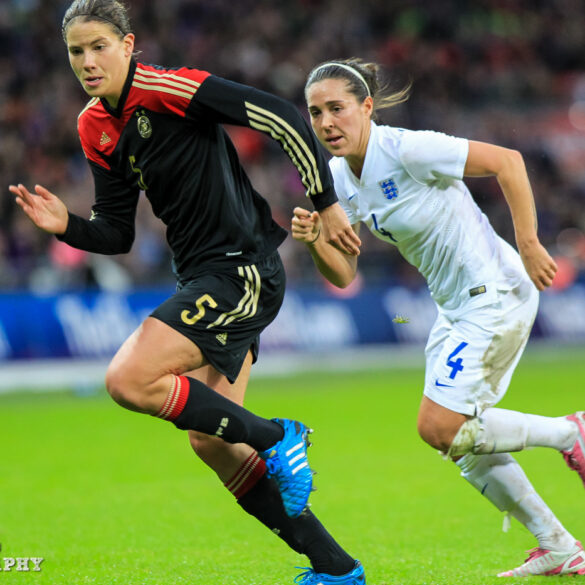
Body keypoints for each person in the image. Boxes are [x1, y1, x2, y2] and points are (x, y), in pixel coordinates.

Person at [8, 3, 365, 584]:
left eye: (99, 45)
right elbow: (117, 232)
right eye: (77, 51)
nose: (87, 61)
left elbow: (280, 116)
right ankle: (337, 568)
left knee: (128, 379)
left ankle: (280, 437)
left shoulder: (171, 89)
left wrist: (326, 203)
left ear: (128, 44)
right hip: (202, 278)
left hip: (242, 269)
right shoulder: (93, 127)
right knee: (211, 441)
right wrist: (66, 226)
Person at [292, 58, 585, 578]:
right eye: (315, 113)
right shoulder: (338, 177)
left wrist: (531, 244)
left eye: (336, 108)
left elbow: (509, 162)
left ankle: (570, 434)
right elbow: (344, 275)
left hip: (494, 292)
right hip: (455, 307)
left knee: (439, 426)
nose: (325, 123)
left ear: (366, 107)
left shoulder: (406, 149)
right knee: (460, 442)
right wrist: (316, 241)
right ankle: (559, 546)